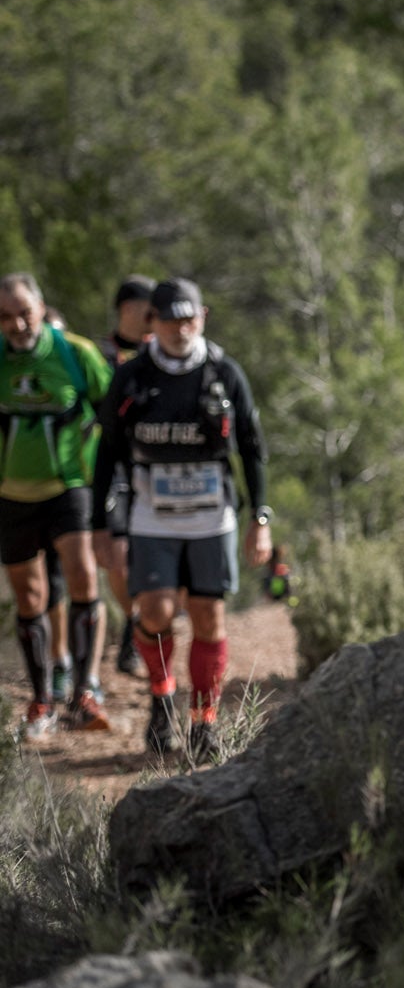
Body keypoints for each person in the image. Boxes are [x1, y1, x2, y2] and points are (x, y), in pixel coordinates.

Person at [91, 279, 270, 760]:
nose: (180, 328)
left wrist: (262, 516)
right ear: (153, 322)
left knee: (210, 619)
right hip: (153, 518)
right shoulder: (132, 378)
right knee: (156, 613)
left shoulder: (224, 372)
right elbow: (106, 451)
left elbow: (252, 449)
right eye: (169, 319)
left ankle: (204, 720)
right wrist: (100, 526)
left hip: (212, 519)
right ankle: (162, 696)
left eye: (188, 318)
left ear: (203, 316)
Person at [1, 273, 115, 736]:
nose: (17, 323)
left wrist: (114, 480)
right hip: (11, 494)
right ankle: (42, 699)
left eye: (24, 312)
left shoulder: (75, 354)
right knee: (30, 597)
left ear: (41, 307)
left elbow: (114, 413)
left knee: (83, 574)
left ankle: (86, 689)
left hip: (70, 485)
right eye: (5, 316)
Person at [96, 274, 155, 678]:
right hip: (113, 466)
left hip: (154, 469)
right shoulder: (100, 355)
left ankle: (148, 629)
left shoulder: (163, 354)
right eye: (148, 308)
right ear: (127, 309)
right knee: (117, 562)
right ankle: (132, 621)